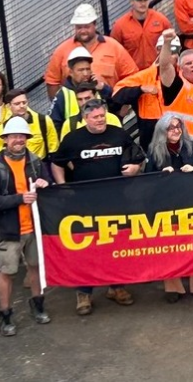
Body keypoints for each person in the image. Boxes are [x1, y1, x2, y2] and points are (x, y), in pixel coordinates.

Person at [50, 100, 143, 315]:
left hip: (117, 202)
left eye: (102, 116)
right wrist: (63, 186)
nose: (100, 120)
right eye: (95, 117)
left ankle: (116, 287)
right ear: (85, 118)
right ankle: (84, 294)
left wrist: (135, 168)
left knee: (115, 246)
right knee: (86, 249)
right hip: (85, 205)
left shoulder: (118, 134)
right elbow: (57, 163)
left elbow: (137, 155)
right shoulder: (73, 139)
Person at [0, 116, 50, 336]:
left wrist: (44, 183)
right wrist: (20, 198)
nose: (18, 140)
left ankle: (38, 305)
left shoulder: (36, 162)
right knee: (8, 273)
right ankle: (5, 314)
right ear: (5, 139)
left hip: (34, 228)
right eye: (14, 136)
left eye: (22, 136)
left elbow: (47, 186)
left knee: (35, 268)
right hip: (9, 231)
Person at [142, 113, 193, 301]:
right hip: (166, 205)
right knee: (169, 247)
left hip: (192, 202)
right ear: (162, 131)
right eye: (171, 127)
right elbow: (147, 180)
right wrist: (161, 174)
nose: (175, 130)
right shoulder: (154, 150)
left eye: (178, 126)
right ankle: (173, 288)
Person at [43, 3, 138, 98]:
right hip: (76, 110)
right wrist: (59, 107)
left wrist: (124, 107)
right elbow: (52, 81)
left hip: (109, 107)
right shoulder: (62, 51)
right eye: (79, 27)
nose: (83, 31)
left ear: (95, 24)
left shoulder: (113, 47)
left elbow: (132, 77)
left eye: (87, 26)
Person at [109, 0, 171, 70]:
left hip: (158, 70)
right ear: (131, 1)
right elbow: (114, 51)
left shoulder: (161, 20)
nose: (143, 3)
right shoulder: (120, 25)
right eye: (139, 0)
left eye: (145, 0)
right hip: (132, 73)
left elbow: (173, 44)